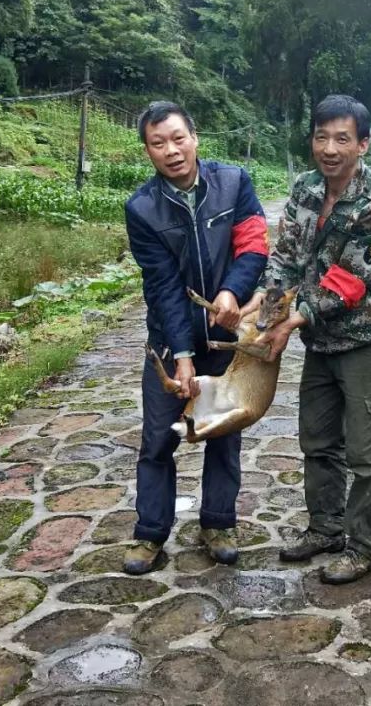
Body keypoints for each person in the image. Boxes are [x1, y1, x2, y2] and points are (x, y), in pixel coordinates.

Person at [247, 94, 371, 584]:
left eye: (342, 138)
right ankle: (325, 528)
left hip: (367, 338)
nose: (330, 148)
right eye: (322, 137)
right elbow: (287, 256)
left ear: (363, 144)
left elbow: (346, 281)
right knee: (317, 440)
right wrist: (268, 311)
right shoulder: (305, 189)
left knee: (365, 452)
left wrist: (291, 321)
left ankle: (362, 546)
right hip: (322, 339)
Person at [122, 101, 268, 574]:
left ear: (195, 137)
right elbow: (162, 285)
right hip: (170, 340)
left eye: (178, 138)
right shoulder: (142, 209)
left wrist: (232, 291)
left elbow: (253, 243)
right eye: (158, 143)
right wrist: (181, 355)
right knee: (158, 442)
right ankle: (150, 534)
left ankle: (218, 524)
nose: (171, 150)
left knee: (224, 433)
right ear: (147, 151)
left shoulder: (234, 182)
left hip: (226, 339)